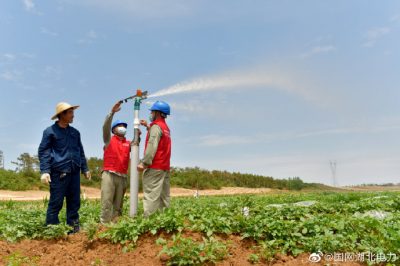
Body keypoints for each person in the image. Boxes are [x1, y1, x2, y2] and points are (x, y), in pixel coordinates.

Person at [38, 102, 91, 234]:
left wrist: (85, 168)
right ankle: (52, 230)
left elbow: (80, 151)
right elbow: (44, 151)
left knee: (74, 203)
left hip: (74, 173)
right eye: (70, 113)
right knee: (56, 203)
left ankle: (73, 229)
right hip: (59, 173)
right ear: (62, 115)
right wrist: (45, 171)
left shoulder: (75, 133)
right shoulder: (50, 132)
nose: (73, 116)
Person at [137, 100, 171, 217]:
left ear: (157, 113)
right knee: (164, 198)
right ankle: (165, 223)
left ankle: (149, 224)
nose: (150, 114)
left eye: (152, 112)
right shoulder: (165, 128)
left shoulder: (156, 127)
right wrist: (148, 126)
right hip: (164, 168)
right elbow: (159, 139)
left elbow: (152, 145)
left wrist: (144, 163)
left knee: (151, 196)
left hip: (155, 167)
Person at [100, 101, 131, 223]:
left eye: (124, 126)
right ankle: (104, 226)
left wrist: (137, 136)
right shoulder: (108, 139)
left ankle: (116, 226)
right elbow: (105, 127)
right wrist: (112, 113)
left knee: (118, 206)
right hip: (109, 174)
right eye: (120, 126)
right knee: (107, 202)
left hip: (122, 176)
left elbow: (136, 145)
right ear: (114, 130)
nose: (123, 128)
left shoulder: (128, 143)